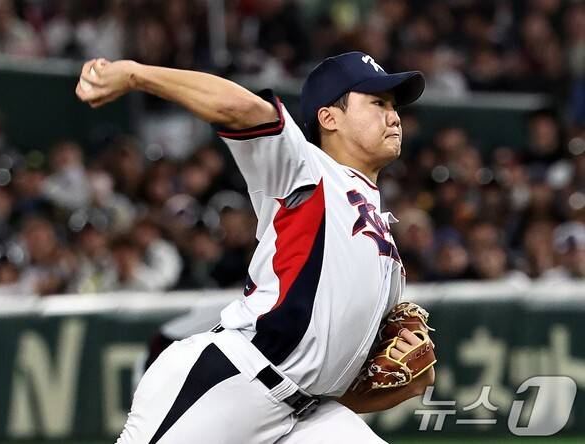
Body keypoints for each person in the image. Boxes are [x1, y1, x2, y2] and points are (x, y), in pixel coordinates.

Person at [76, 51, 435, 443]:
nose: (394, 117)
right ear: (329, 118)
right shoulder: (306, 169)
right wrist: (135, 74)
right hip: (231, 383)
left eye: (394, 107)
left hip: (306, 412)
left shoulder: (385, 244)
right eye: (378, 103)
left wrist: (412, 380)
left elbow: (351, 383)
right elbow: (241, 109)